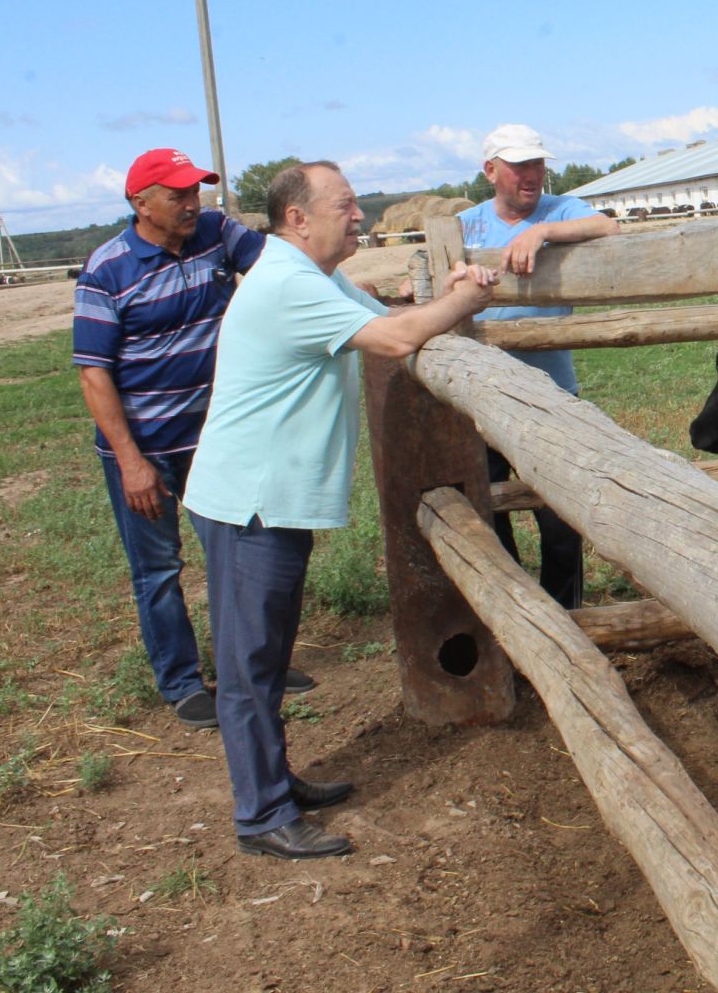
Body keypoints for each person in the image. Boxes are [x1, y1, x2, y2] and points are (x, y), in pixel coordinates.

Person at [183, 161, 497, 860]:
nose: (359, 216)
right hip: (250, 503)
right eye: (346, 205)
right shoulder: (289, 283)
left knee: (265, 656)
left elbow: (386, 318)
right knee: (250, 665)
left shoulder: (312, 276)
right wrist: (466, 302)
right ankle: (262, 815)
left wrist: (440, 295)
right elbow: (393, 342)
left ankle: (274, 784)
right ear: (298, 218)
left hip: (267, 500)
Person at [72, 148, 312, 731]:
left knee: (236, 553)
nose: (192, 203)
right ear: (141, 203)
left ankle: (247, 665)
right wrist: (131, 461)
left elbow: (284, 269)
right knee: (158, 567)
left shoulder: (215, 232)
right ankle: (181, 682)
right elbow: (93, 372)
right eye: (178, 194)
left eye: (195, 191)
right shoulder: (106, 271)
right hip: (146, 447)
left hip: (214, 437)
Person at [457, 124, 620, 608]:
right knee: (487, 507)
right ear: (491, 171)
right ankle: (513, 608)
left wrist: (541, 230)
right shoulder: (467, 224)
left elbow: (608, 225)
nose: (531, 176)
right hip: (480, 392)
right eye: (518, 166)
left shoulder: (560, 210)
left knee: (560, 514)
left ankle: (564, 610)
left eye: (537, 165)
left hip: (551, 390)